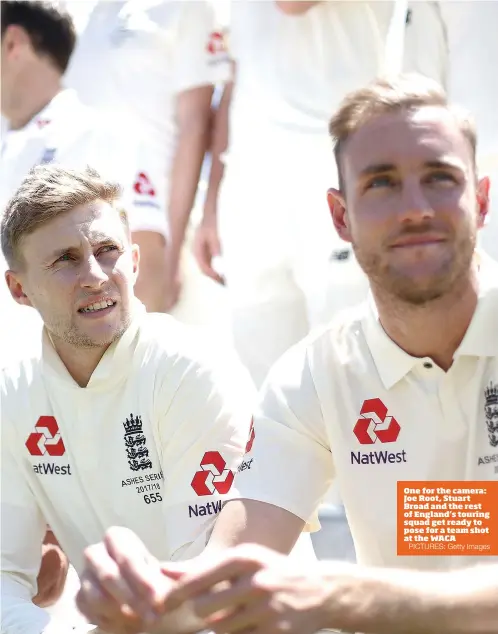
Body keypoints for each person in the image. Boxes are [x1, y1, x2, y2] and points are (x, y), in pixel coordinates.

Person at [76, 73, 498, 634]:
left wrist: (350, 596)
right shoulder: (315, 374)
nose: (414, 208)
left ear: (482, 199)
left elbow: (347, 596)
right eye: (382, 183)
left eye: (440, 178)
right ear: (340, 217)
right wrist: (149, 598)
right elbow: (235, 568)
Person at [0, 164, 257, 634]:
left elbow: (209, 590)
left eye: (107, 251)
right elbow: (4, 577)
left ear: (135, 261)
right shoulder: (12, 394)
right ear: (19, 289)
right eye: (65, 260)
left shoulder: (191, 371)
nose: (95, 276)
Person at [193, 0, 449, 388]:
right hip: (251, 187)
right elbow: (236, 79)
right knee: (265, 383)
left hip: (334, 169)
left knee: (349, 370)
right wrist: (212, 203)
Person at [62, 0, 230, 313]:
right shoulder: (74, 12)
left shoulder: (188, 8)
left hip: (154, 223)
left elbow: (196, 126)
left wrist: (173, 249)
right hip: (78, 220)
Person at [0, 0, 163, 318]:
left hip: (66, 366)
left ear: (13, 43)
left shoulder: (101, 135)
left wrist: (101, 369)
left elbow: (149, 278)